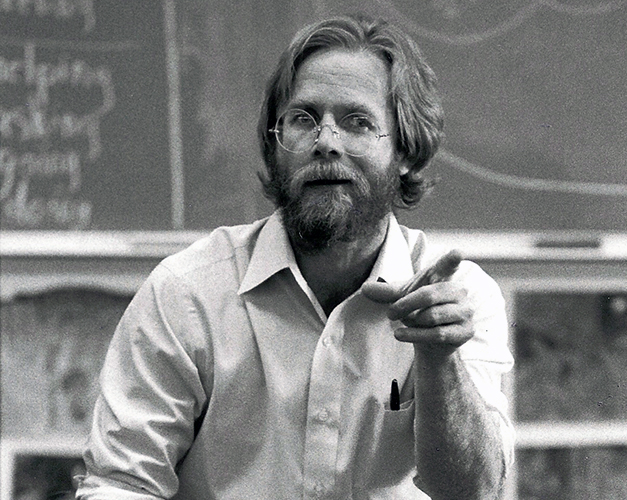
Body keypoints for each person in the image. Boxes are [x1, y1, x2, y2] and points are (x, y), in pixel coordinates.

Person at [76, 14, 514, 500]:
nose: (325, 142)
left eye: (358, 122)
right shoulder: (189, 293)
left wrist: (440, 361)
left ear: (407, 150)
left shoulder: (456, 300)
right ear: (275, 144)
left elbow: (475, 492)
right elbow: (121, 483)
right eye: (303, 119)